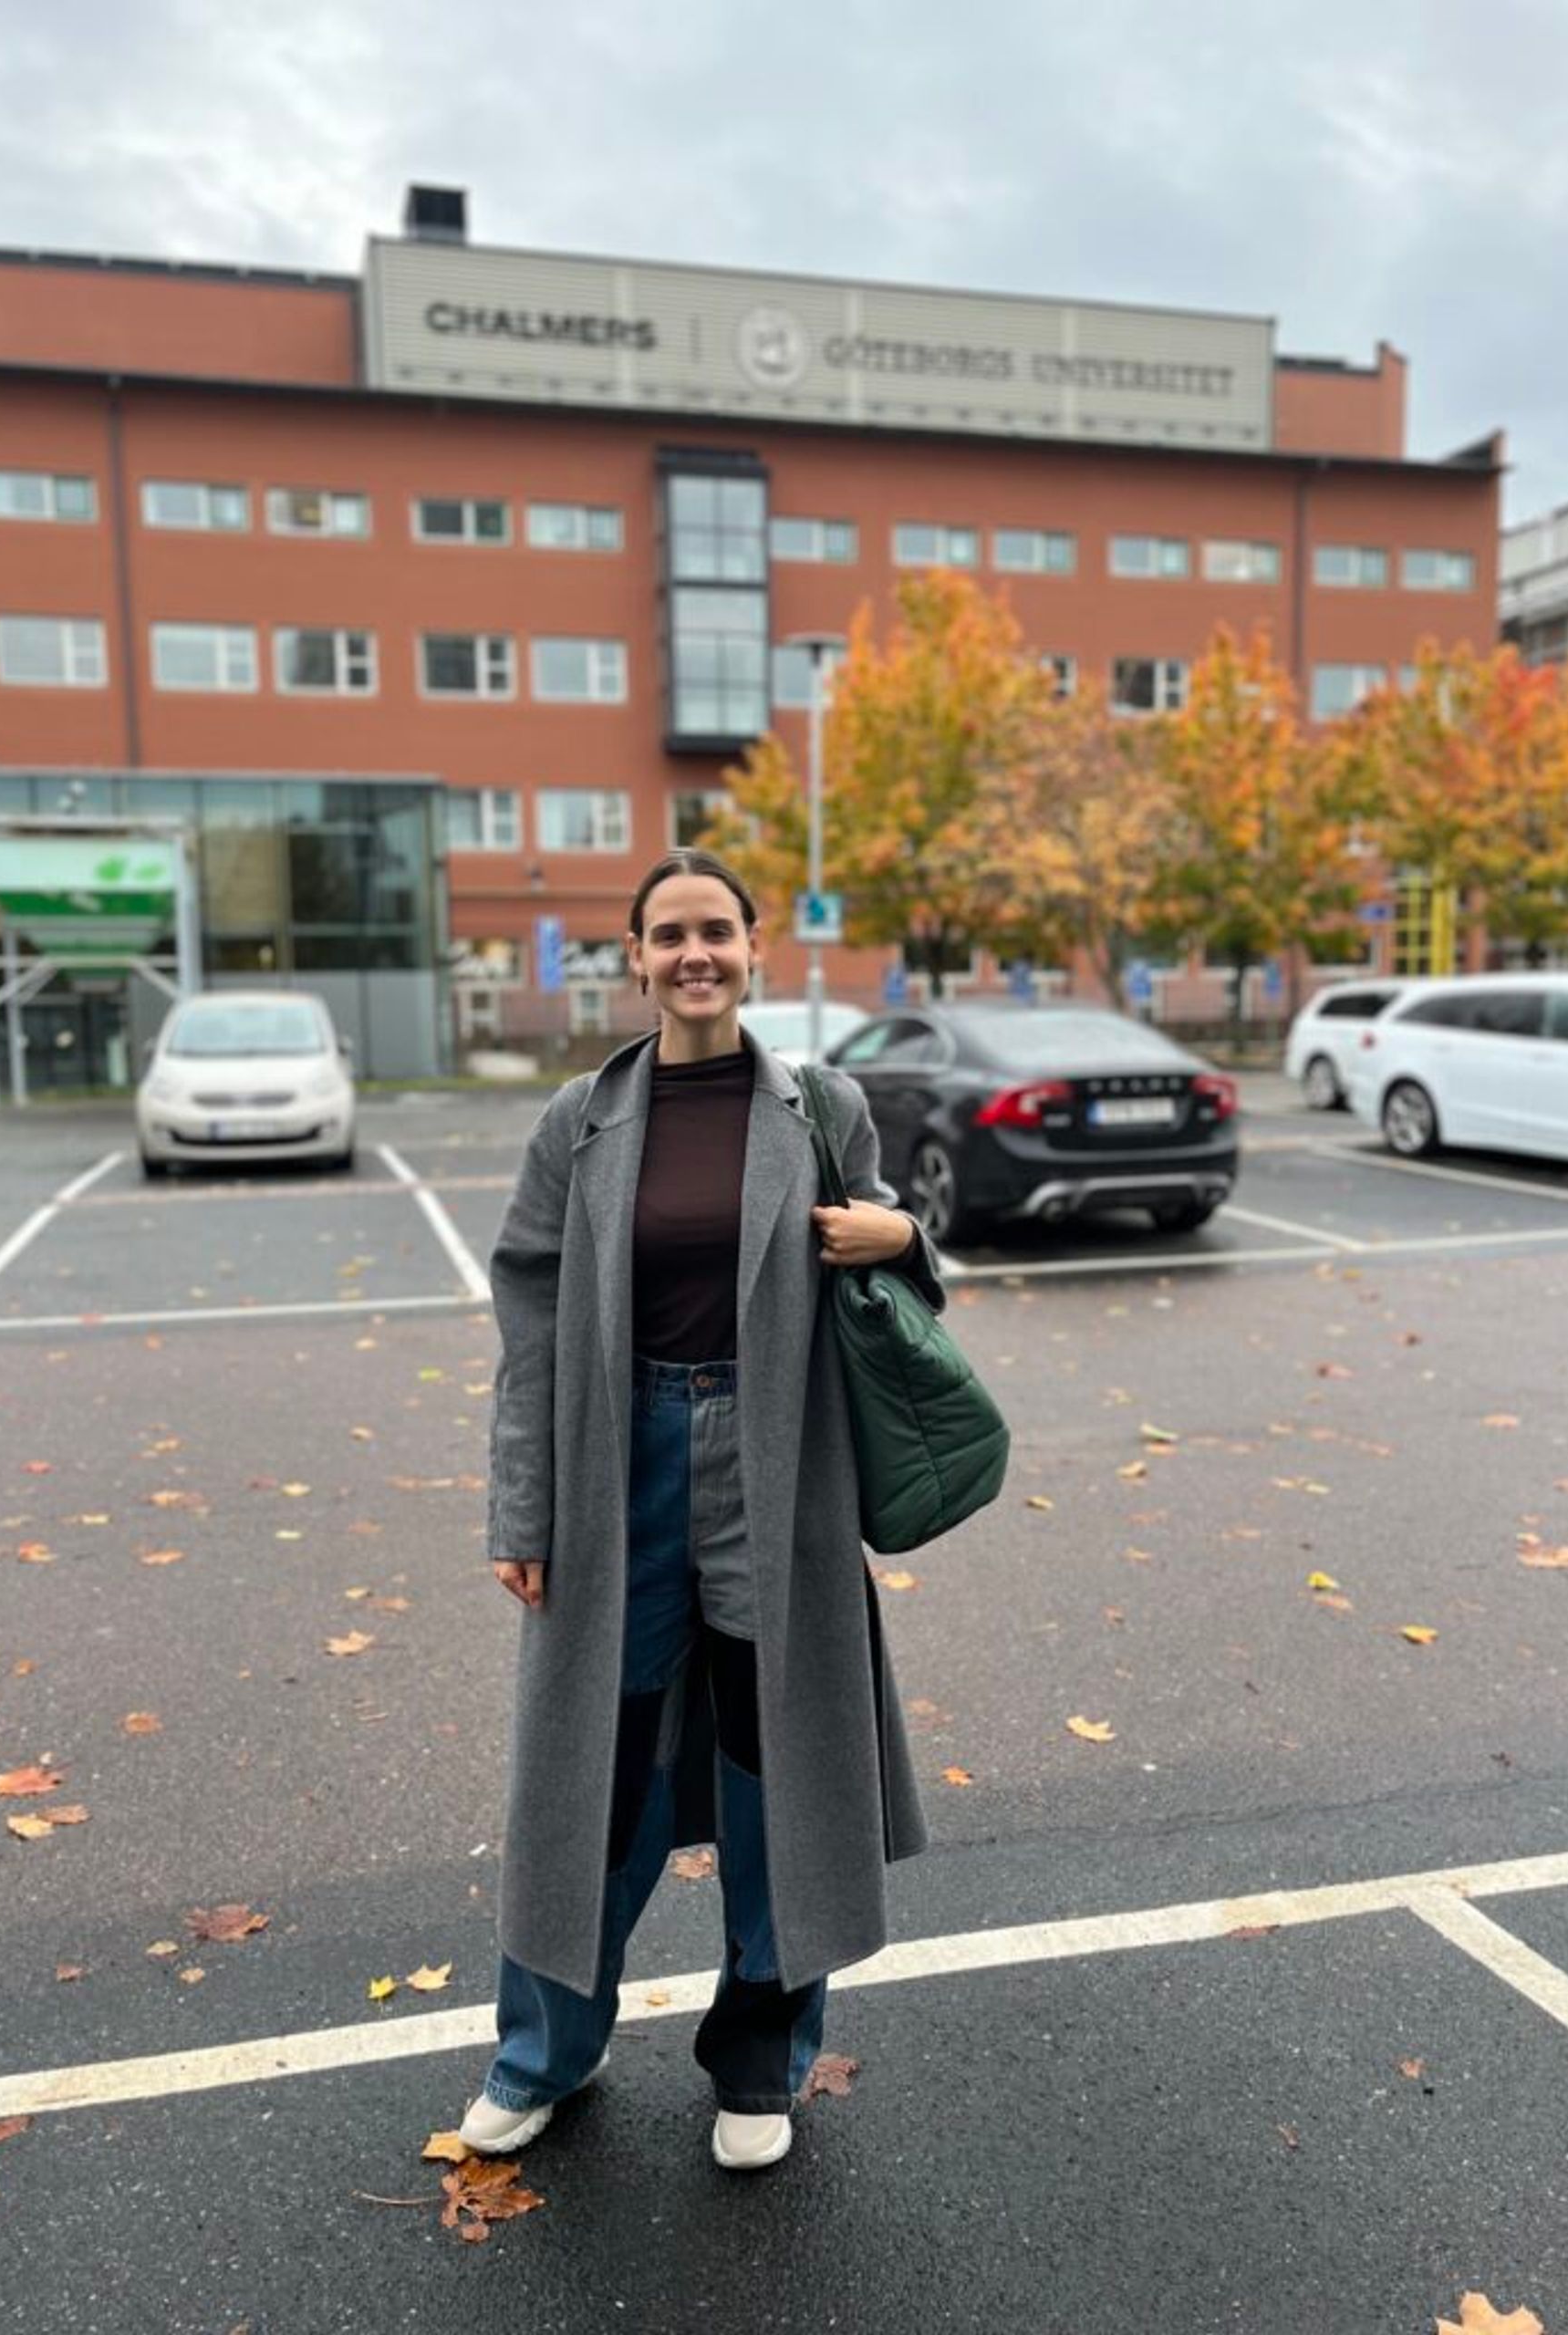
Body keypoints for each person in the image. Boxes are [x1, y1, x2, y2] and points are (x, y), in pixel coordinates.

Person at [459, 847, 942, 2174]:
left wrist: (904, 1239)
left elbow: (886, 1246)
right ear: (635, 957)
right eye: (668, 934)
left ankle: (759, 2062)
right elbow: (530, 1316)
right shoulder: (583, 1120)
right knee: (590, 1780)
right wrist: (523, 1507)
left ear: (753, 946)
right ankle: (545, 2051)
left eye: (716, 932)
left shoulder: (820, 1106)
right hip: (624, 1464)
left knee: (774, 1766)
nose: (694, 955)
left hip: (780, 1465)